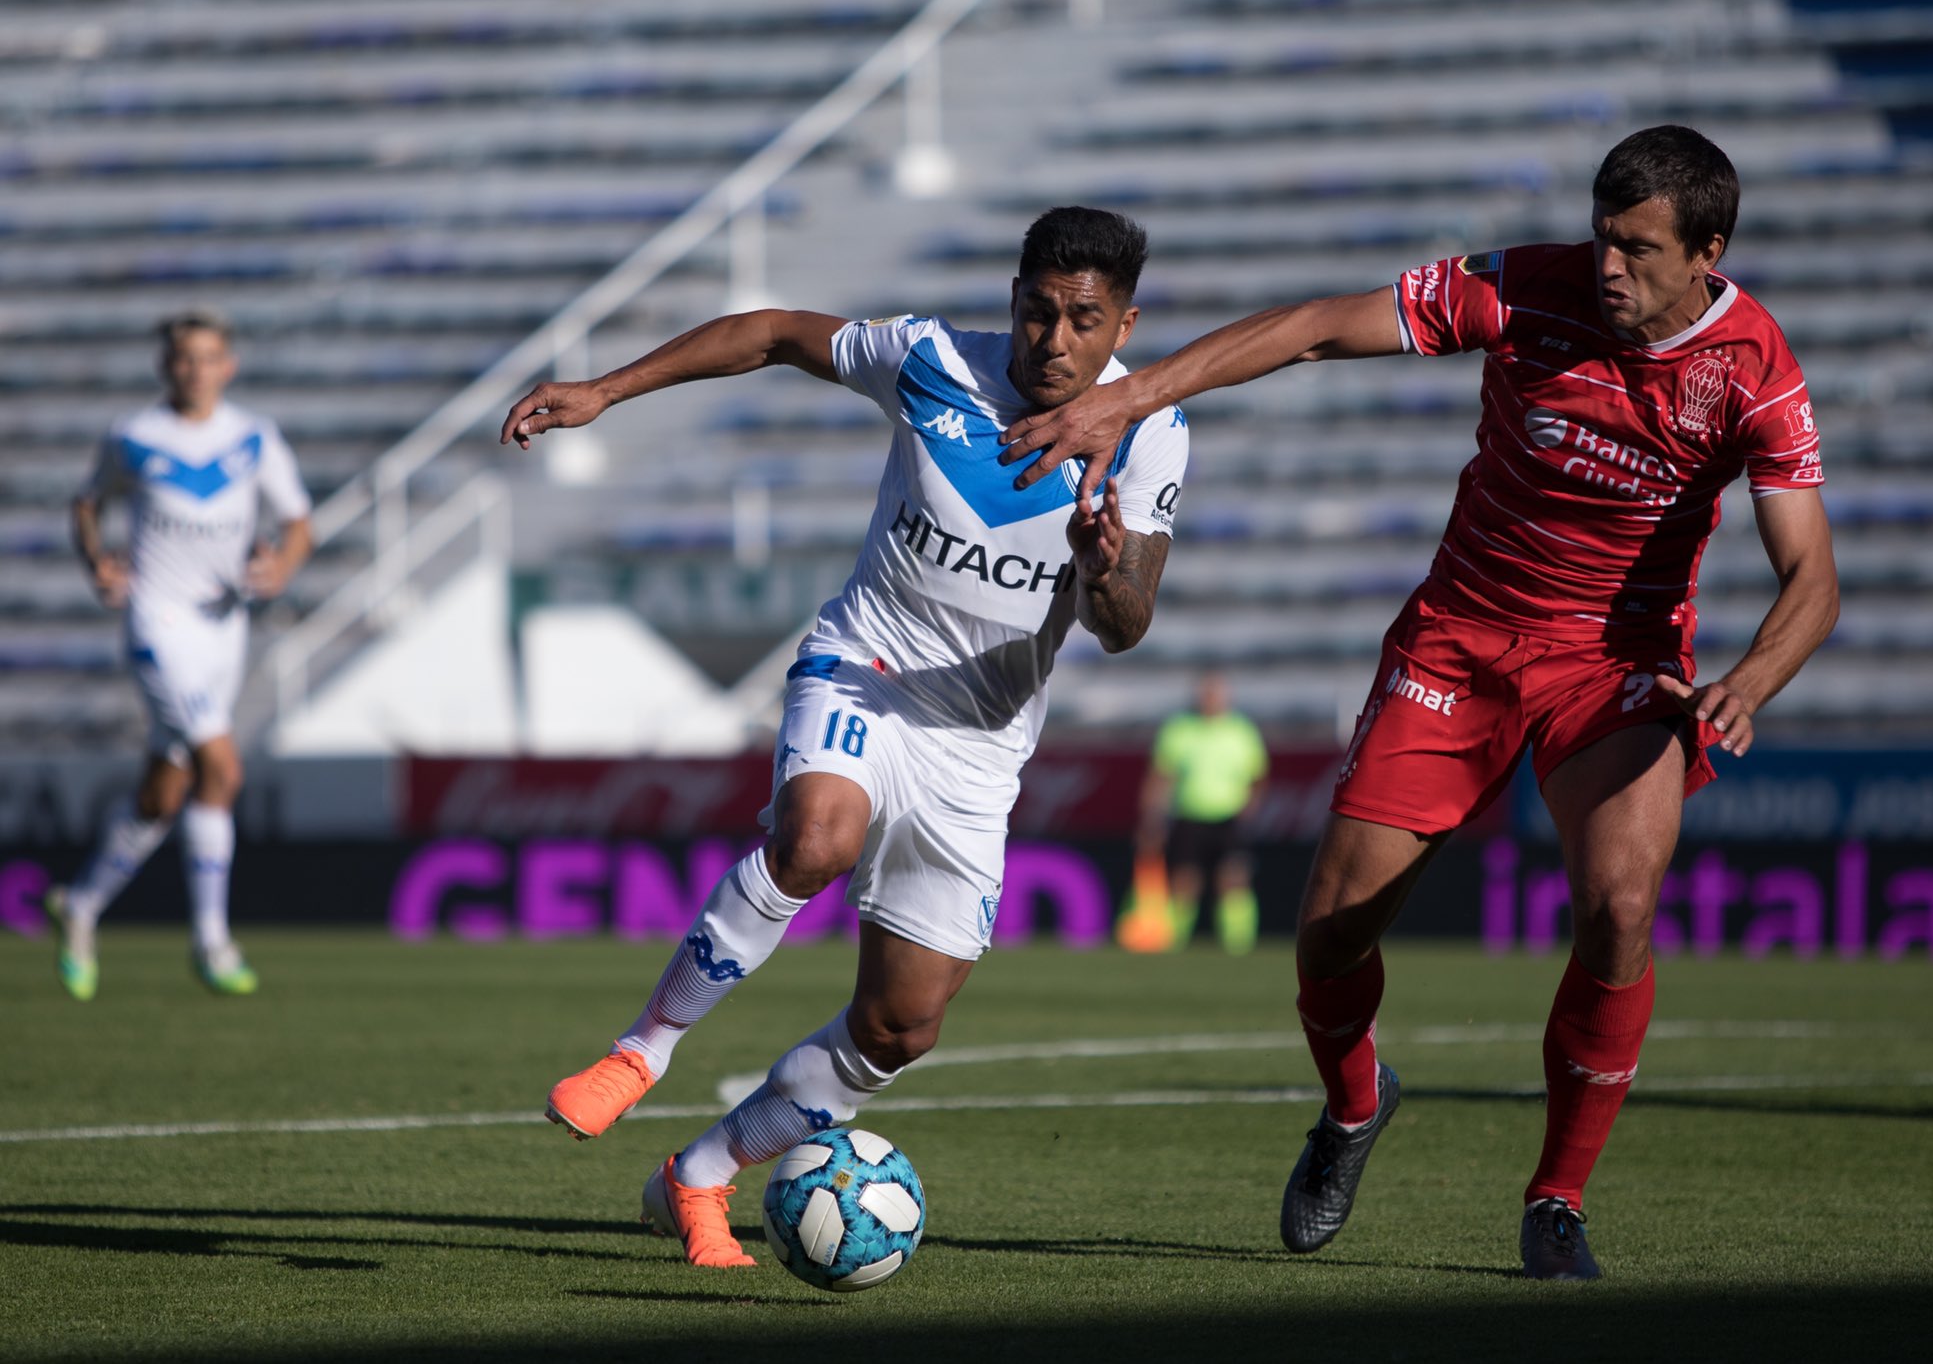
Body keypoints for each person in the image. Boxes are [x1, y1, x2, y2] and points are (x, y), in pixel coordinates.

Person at [998, 127, 1839, 1279]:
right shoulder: (1520, 289)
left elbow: (1813, 576)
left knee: (1619, 907)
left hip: (1616, 665)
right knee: (1331, 929)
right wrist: (1127, 399)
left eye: (1636, 249)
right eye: (1601, 237)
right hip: (1461, 637)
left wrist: (1748, 679)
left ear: (1707, 250)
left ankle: (1555, 1199)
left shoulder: (1753, 368)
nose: (1606, 266)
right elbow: (1309, 329)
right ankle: (1352, 1106)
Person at [499, 206, 1188, 1268]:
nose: (1055, 341)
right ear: (1011, 299)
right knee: (813, 839)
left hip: (977, 742)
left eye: (1082, 321)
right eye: (1038, 312)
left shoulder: (1151, 430)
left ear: (1122, 323)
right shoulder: (926, 360)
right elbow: (772, 332)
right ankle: (642, 1049)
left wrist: (1104, 567)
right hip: (864, 663)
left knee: (900, 1027)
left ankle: (702, 1173)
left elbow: (1125, 625)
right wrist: (604, 390)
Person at [46, 310, 313, 1000]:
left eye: (208, 357)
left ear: (229, 365)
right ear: (166, 367)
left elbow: (298, 522)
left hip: (224, 628)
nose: (196, 369)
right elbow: (86, 503)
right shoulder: (133, 436)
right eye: (184, 358)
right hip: (156, 623)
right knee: (220, 768)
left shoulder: (253, 437)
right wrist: (96, 560)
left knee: (161, 796)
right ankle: (212, 941)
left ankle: (81, 905)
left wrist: (281, 566)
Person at [1127, 669, 1268, 954]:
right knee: (1184, 882)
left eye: (1215, 693)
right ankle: (1174, 942)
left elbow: (1257, 777)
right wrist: (1152, 817)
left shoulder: (1242, 731)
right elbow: (1161, 776)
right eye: (1206, 693)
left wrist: (1250, 810)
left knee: (1233, 879)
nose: (1210, 699)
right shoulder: (1179, 729)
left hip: (1228, 816)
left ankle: (1239, 945)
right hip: (1189, 815)